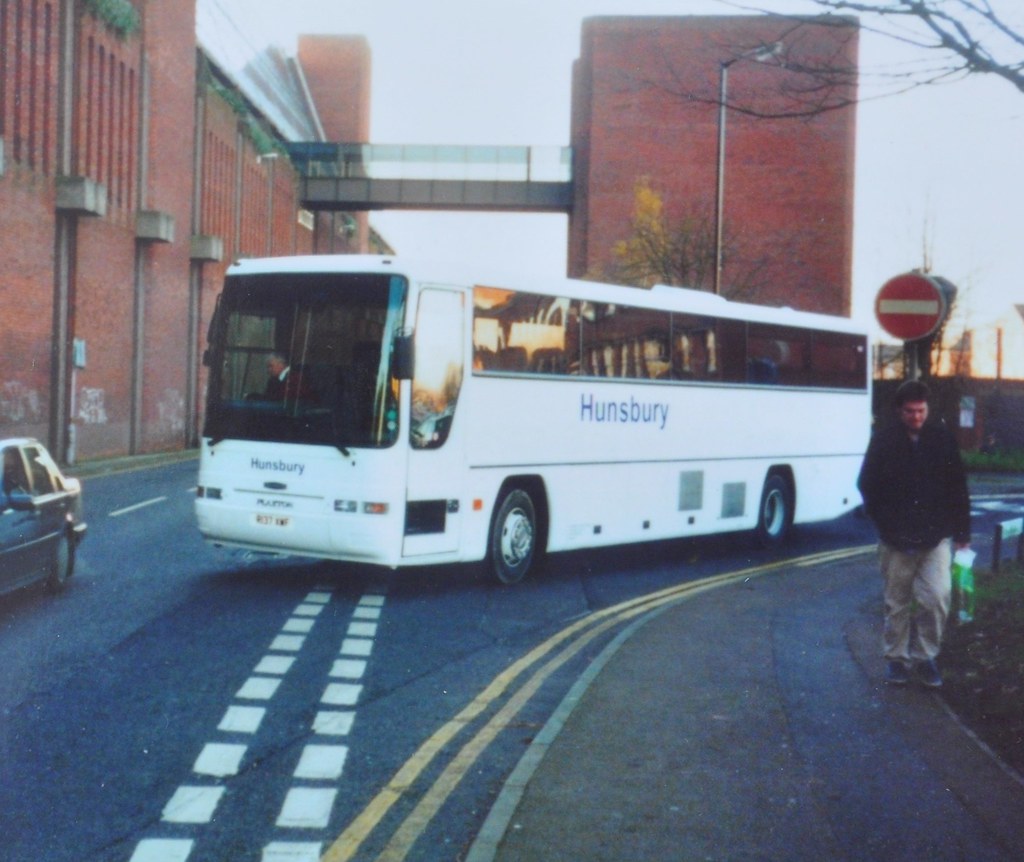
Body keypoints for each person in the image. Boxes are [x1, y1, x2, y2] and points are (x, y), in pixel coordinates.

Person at [857, 379, 971, 688]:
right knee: (897, 601)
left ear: (927, 409)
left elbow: (957, 486)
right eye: (910, 411)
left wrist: (962, 531)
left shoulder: (942, 440)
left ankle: (925, 657)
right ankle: (896, 659)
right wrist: (885, 524)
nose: (916, 417)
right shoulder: (884, 441)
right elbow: (867, 484)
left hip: (935, 537)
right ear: (899, 411)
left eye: (921, 411)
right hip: (895, 538)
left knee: (936, 597)